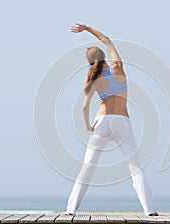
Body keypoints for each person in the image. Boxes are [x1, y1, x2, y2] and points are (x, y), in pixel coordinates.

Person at [64, 23, 159, 216]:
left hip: (102, 121)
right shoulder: (118, 67)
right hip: (122, 122)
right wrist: (87, 28)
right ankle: (150, 211)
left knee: (87, 168)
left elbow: (84, 106)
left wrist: (88, 126)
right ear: (104, 57)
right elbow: (107, 40)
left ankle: (70, 210)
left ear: (89, 62)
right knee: (135, 169)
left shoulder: (94, 78)